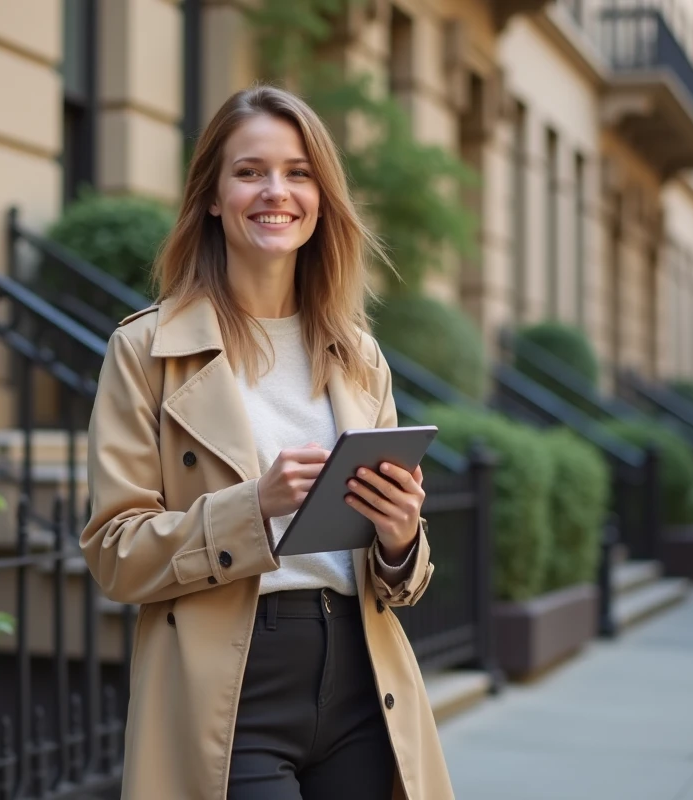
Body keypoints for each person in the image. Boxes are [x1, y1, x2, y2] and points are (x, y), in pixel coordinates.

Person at [80, 84, 454, 800]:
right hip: (229, 689)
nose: (275, 191)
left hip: (362, 679)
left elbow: (397, 577)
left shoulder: (358, 355)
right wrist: (253, 508)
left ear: (321, 199)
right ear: (213, 196)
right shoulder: (146, 349)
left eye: (298, 172)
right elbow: (114, 554)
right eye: (249, 171)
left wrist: (401, 536)